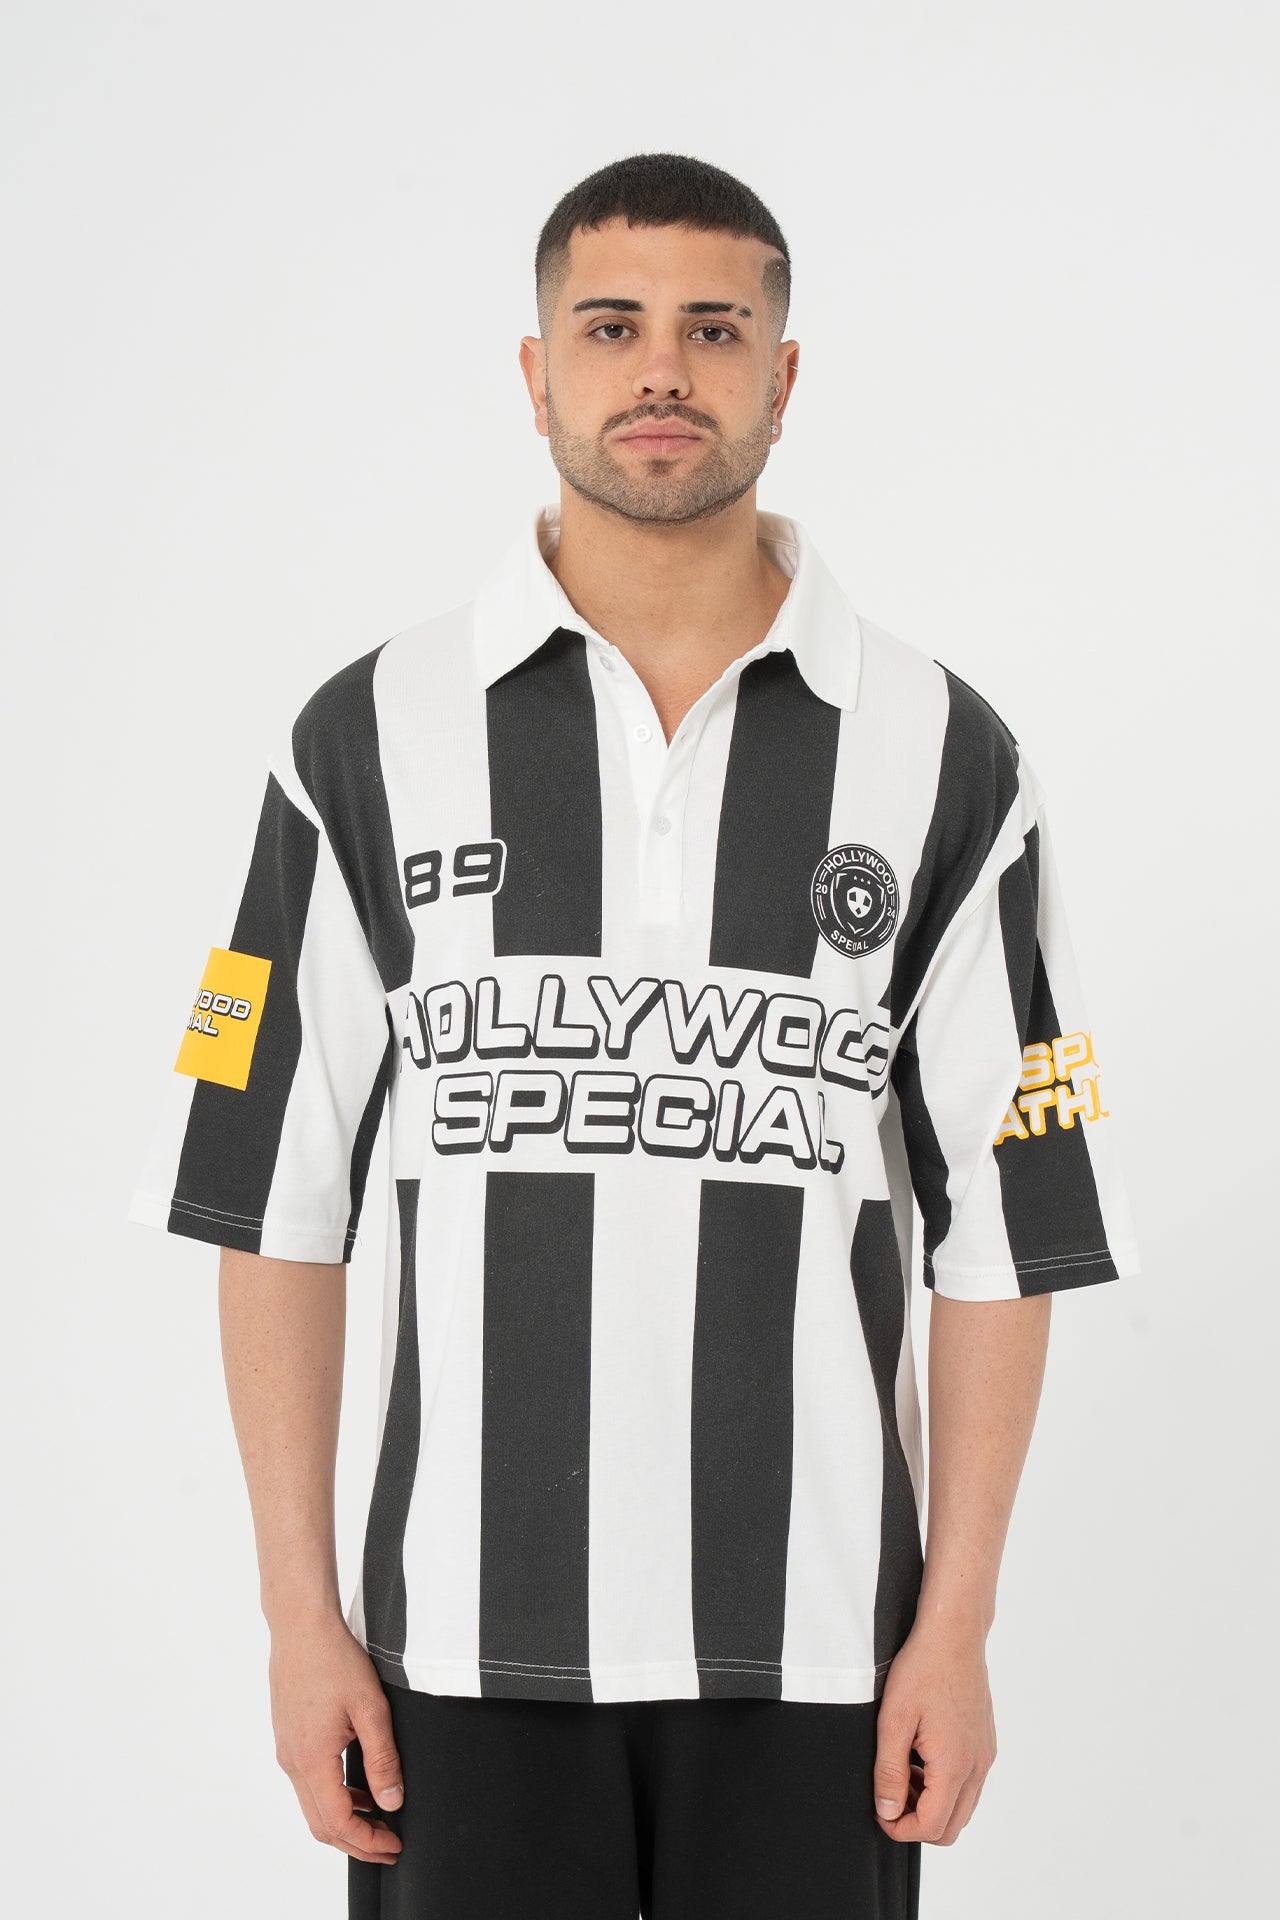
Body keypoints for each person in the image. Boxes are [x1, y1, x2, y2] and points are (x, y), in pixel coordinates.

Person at [129, 152, 1141, 1919]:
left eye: (713, 330)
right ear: (536, 373)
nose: (662, 370)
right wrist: (299, 1620)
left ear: (784, 375)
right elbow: (275, 1206)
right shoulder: (363, 739)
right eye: (611, 328)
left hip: (824, 1662)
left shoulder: (947, 756)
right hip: (455, 1661)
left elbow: (1005, 1228)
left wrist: (958, 1625)